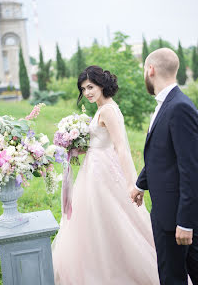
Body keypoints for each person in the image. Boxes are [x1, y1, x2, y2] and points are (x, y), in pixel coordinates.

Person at [52, 65, 159, 284]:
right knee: (95, 222)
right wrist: (78, 145)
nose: (87, 92)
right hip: (93, 170)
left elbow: (121, 147)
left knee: (113, 220)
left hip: (103, 174)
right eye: (83, 89)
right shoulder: (101, 109)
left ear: (102, 84)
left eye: (90, 86)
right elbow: (100, 141)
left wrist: (132, 183)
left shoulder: (108, 110)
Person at [131, 48, 198, 285]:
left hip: (178, 219)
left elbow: (191, 169)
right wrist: (141, 184)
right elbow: (161, 154)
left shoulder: (179, 107)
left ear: (150, 70)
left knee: (172, 279)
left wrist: (185, 223)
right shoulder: (165, 104)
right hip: (164, 213)